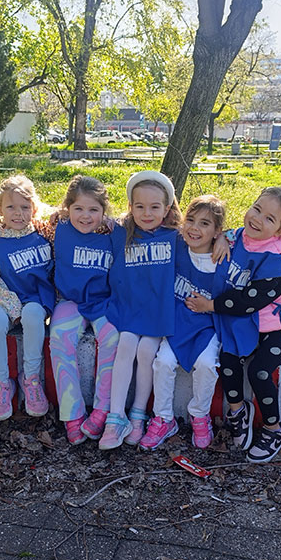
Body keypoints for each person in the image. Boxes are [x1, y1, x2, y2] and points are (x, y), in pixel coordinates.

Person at [186, 186, 281, 463]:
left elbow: (248, 301)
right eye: (257, 209)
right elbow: (230, 233)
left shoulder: (280, 260)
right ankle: (238, 410)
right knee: (228, 357)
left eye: (269, 218)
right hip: (252, 321)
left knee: (259, 371)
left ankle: (274, 429)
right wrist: (222, 237)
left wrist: (209, 306)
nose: (257, 219)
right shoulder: (241, 236)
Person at [100, 171, 182, 450]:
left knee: (147, 351)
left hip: (158, 311)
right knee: (125, 344)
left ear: (167, 209)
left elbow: (210, 233)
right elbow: (83, 215)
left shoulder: (176, 236)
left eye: (155, 207)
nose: (147, 213)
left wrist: (220, 239)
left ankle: (138, 413)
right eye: (140, 206)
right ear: (130, 206)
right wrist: (56, 215)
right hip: (129, 307)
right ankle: (115, 417)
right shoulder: (120, 232)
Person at [0, 175, 55, 423]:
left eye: (25, 207)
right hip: (2, 299)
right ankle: (1, 384)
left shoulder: (43, 235)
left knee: (33, 316)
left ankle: (31, 379)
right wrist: (13, 307)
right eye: (11, 207)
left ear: (34, 208)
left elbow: (73, 218)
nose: (18, 213)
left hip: (35, 297)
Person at [140, 195, 225, 451]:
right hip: (177, 323)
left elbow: (244, 240)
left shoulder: (222, 258)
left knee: (207, 364)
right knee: (163, 362)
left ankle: (199, 415)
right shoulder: (176, 244)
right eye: (191, 220)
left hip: (207, 326)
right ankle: (163, 419)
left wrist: (225, 238)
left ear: (216, 231)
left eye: (204, 224)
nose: (194, 228)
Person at [48, 174, 119, 445]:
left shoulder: (114, 232)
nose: (86, 216)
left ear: (104, 211)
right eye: (78, 208)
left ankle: (102, 409)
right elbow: (25, 217)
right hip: (70, 301)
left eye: (93, 209)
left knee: (113, 338)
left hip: (103, 302)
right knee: (59, 339)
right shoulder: (58, 228)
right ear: (67, 209)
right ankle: (72, 414)